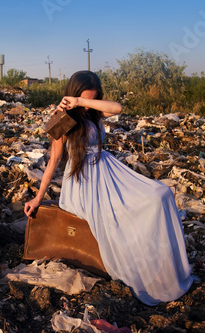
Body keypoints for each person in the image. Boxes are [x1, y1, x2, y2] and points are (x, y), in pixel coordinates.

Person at [24, 70, 193, 305]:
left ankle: (162, 265)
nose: (87, 105)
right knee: (130, 212)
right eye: (83, 97)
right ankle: (141, 267)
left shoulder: (91, 109)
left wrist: (82, 102)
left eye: (92, 98)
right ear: (72, 93)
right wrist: (38, 198)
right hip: (83, 181)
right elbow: (53, 160)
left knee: (161, 194)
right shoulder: (61, 117)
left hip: (107, 169)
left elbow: (118, 108)